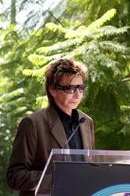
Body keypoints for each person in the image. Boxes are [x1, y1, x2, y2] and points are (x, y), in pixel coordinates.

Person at [6, 59, 95, 196]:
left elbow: (91, 166)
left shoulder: (86, 122)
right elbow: (14, 177)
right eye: (70, 88)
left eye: (80, 88)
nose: (77, 95)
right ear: (52, 89)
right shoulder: (33, 123)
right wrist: (57, 179)